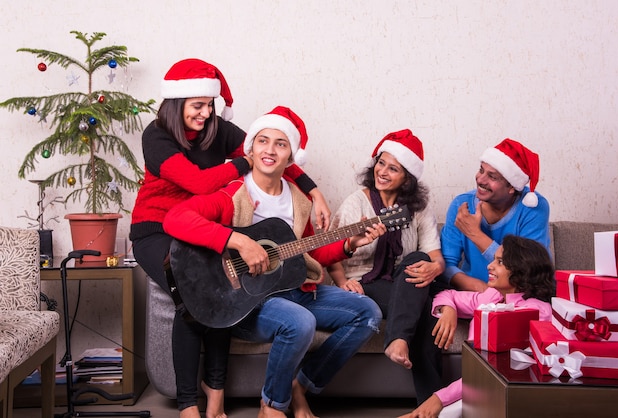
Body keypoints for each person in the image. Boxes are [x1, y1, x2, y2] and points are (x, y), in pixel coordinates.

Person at [129, 59, 331, 418]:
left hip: (204, 226)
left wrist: (313, 190)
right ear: (177, 104)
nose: (206, 114)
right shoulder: (156, 136)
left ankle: (216, 395)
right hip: (157, 229)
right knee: (191, 302)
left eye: (210, 105)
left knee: (226, 291)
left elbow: (276, 152)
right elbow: (199, 182)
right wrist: (244, 162)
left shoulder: (216, 128)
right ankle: (188, 404)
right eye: (198, 106)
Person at [163, 106, 384, 418]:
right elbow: (176, 219)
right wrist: (239, 241)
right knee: (299, 322)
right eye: (263, 141)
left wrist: (350, 244)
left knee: (369, 313)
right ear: (250, 148)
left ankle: (302, 384)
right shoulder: (233, 193)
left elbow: (308, 254)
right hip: (249, 301)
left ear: (291, 157)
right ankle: (272, 405)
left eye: (280, 143)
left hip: (294, 289)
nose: (270, 149)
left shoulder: (299, 201)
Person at [327, 129, 446, 404]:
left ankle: (401, 347)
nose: (383, 171)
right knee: (428, 317)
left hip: (404, 281)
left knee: (419, 260)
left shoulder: (418, 208)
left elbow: (435, 257)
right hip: (365, 282)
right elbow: (331, 251)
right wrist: (342, 282)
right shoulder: (356, 203)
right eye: (381, 163)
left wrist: (435, 269)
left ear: (407, 179)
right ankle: (430, 403)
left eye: (393, 168)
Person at [399, 234, 555, 418]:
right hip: (483, 383)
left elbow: (491, 371)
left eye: (500, 262)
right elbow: (447, 294)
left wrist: (438, 398)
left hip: (512, 392)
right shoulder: (493, 296)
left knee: (440, 413)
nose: (490, 266)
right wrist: (448, 310)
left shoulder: (533, 312)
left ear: (522, 269)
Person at [440, 138, 550, 292]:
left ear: (512, 186)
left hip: (518, 298)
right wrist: (482, 290)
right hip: (472, 295)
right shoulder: (461, 205)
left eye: (492, 177)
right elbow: (446, 265)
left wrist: (475, 234)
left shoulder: (532, 208)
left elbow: (529, 270)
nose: (480, 179)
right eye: (481, 170)